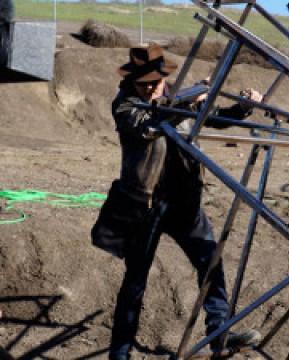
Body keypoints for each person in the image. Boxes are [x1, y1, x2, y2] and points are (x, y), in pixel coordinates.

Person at [91, 44, 263, 360]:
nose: (151, 89)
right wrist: (184, 100)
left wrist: (243, 107)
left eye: (155, 84)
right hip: (145, 206)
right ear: (133, 83)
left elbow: (217, 118)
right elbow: (149, 127)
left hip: (185, 203)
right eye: (144, 85)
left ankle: (219, 335)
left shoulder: (177, 98)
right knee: (135, 283)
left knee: (211, 263)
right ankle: (120, 352)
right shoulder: (125, 105)